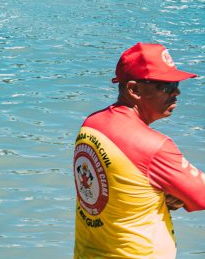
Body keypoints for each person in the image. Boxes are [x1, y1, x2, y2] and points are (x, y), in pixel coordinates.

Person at [73, 43, 205, 258]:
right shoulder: (155, 147)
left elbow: (123, 184)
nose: (177, 92)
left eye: (177, 83)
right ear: (134, 90)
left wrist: (163, 192)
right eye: (167, 85)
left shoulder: (91, 125)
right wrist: (174, 194)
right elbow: (201, 196)